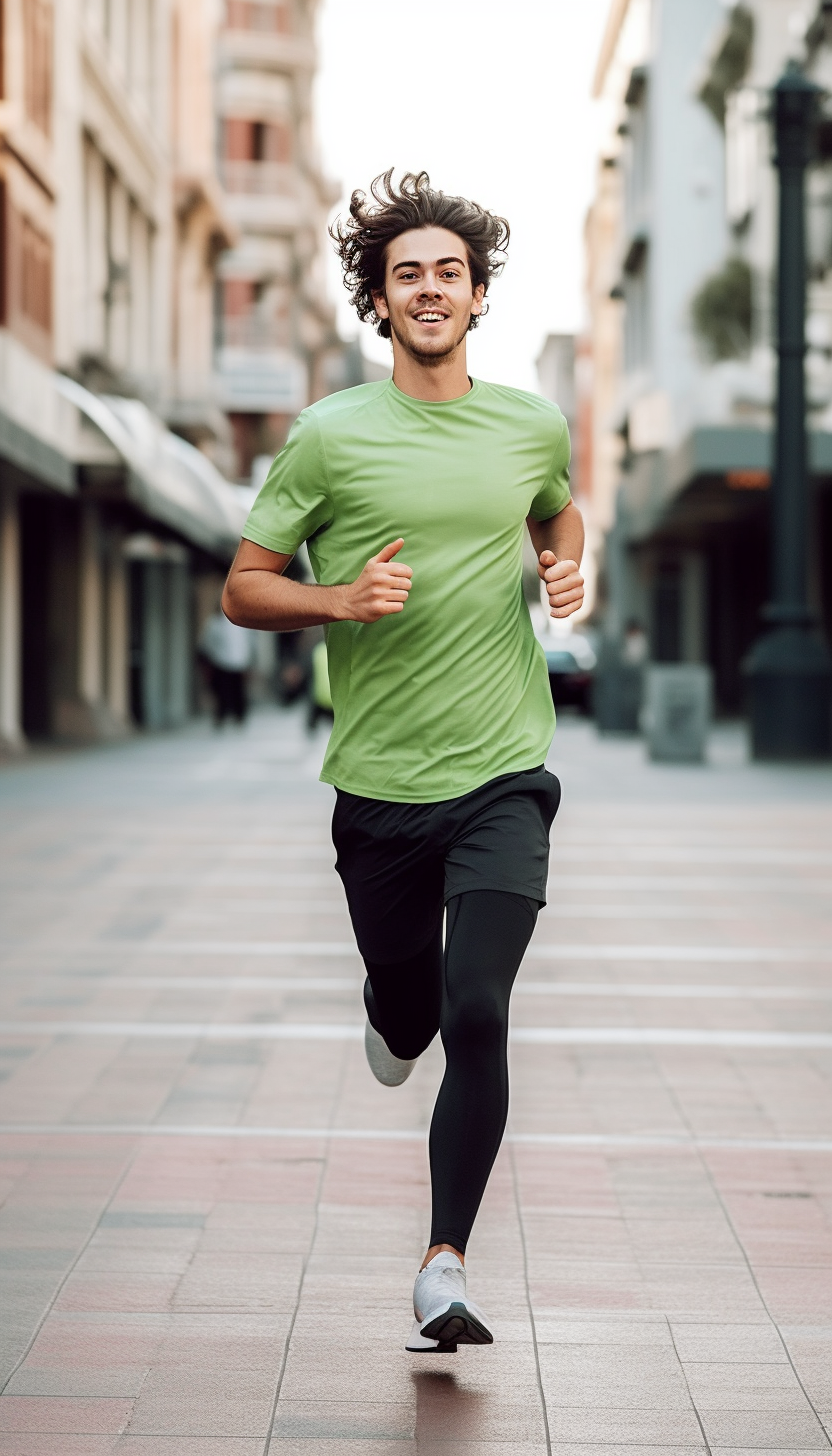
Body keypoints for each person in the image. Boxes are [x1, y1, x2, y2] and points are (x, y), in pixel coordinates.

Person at [222, 171, 585, 1352]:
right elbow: (243, 586)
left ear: (479, 295)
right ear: (379, 303)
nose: (430, 289)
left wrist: (565, 565)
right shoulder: (329, 434)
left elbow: (555, 508)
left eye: (449, 272)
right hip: (378, 787)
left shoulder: (530, 421)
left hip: (501, 772)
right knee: (415, 1015)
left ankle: (443, 1262)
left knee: (479, 1008)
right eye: (405, 274)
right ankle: (392, 1010)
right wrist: (340, 599)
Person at [199, 607, 255, 725]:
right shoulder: (214, 623)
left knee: (238, 692)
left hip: (239, 662)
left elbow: (249, 642)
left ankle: (239, 716)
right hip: (221, 662)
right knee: (222, 692)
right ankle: (221, 716)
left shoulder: (242, 623)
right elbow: (207, 642)